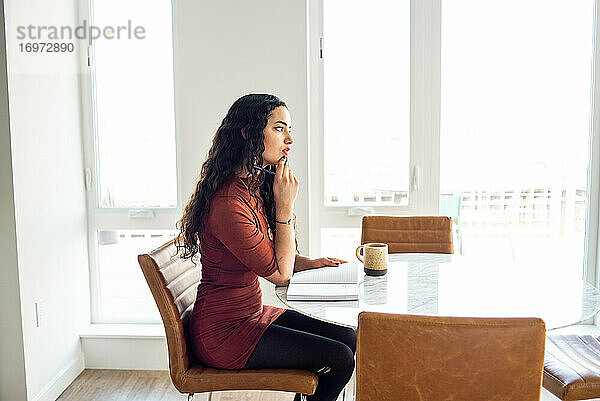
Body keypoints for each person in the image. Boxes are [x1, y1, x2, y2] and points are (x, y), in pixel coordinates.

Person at [176, 94, 356, 401]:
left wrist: (307, 263)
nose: (289, 139)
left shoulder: (251, 187)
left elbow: (273, 256)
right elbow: (279, 274)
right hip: (224, 334)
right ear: (249, 132)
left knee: (347, 337)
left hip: (251, 314)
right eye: (279, 128)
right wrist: (285, 206)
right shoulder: (229, 204)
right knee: (338, 357)